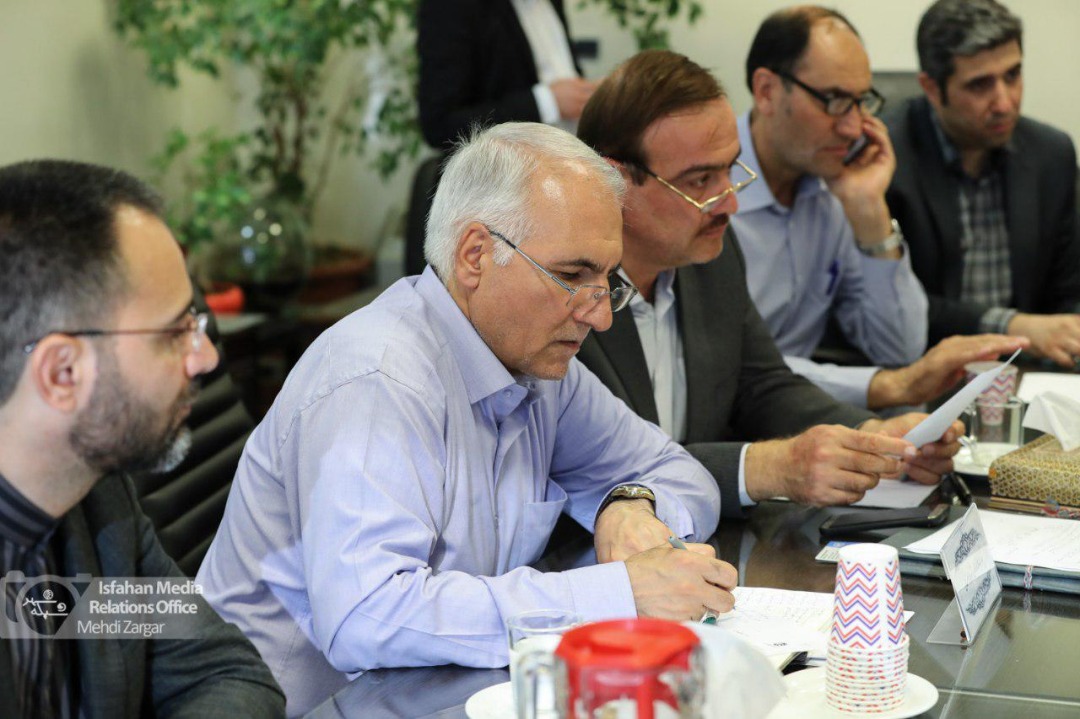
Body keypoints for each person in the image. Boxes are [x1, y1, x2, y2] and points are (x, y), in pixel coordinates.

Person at [198, 122, 733, 715]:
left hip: (446, 695)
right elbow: (366, 617)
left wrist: (630, 503)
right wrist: (618, 594)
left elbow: (682, 474)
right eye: (572, 277)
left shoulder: (537, 363)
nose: (601, 316)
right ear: (476, 255)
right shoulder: (378, 378)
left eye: (608, 280)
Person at [577, 49, 963, 518]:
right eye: (700, 180)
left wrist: (869, 437)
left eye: (730, 171)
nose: (729, 204)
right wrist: (767, 467)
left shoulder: (710, 256)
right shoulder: (568, 293)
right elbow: (595, 466)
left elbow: (761, 383)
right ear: (615, 182)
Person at [0, 160, 285, 718]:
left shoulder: (98, 505)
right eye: (175, 333)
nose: (206, 357)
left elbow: (228, 673)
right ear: (63, 373)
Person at [733, 5, 1025, 410]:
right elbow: (730, 368)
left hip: (793, 410)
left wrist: (870, 212)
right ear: (766, 91)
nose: (853, 127)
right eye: (834, 100)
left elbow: (899, 348)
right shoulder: (706, 189)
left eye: (860, 101)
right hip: (725, 419)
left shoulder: (835, 185)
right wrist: (884, 386)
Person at [885, 0, 1080, 366]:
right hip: (924, 371)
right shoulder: (887, 161)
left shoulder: (1051, 153)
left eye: (1012, 75)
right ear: (931, 88)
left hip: (1028, 372)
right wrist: (1012, 325)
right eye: (980, 85)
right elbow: (894, 307)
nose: (1004, 102)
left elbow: (1069, 290)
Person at [417, 0, 597, 149]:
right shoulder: (450, 6)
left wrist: (592, 96)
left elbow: (564, 74)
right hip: (509, 174)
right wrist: (546, 103)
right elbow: (439, 125)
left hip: (573, 157)